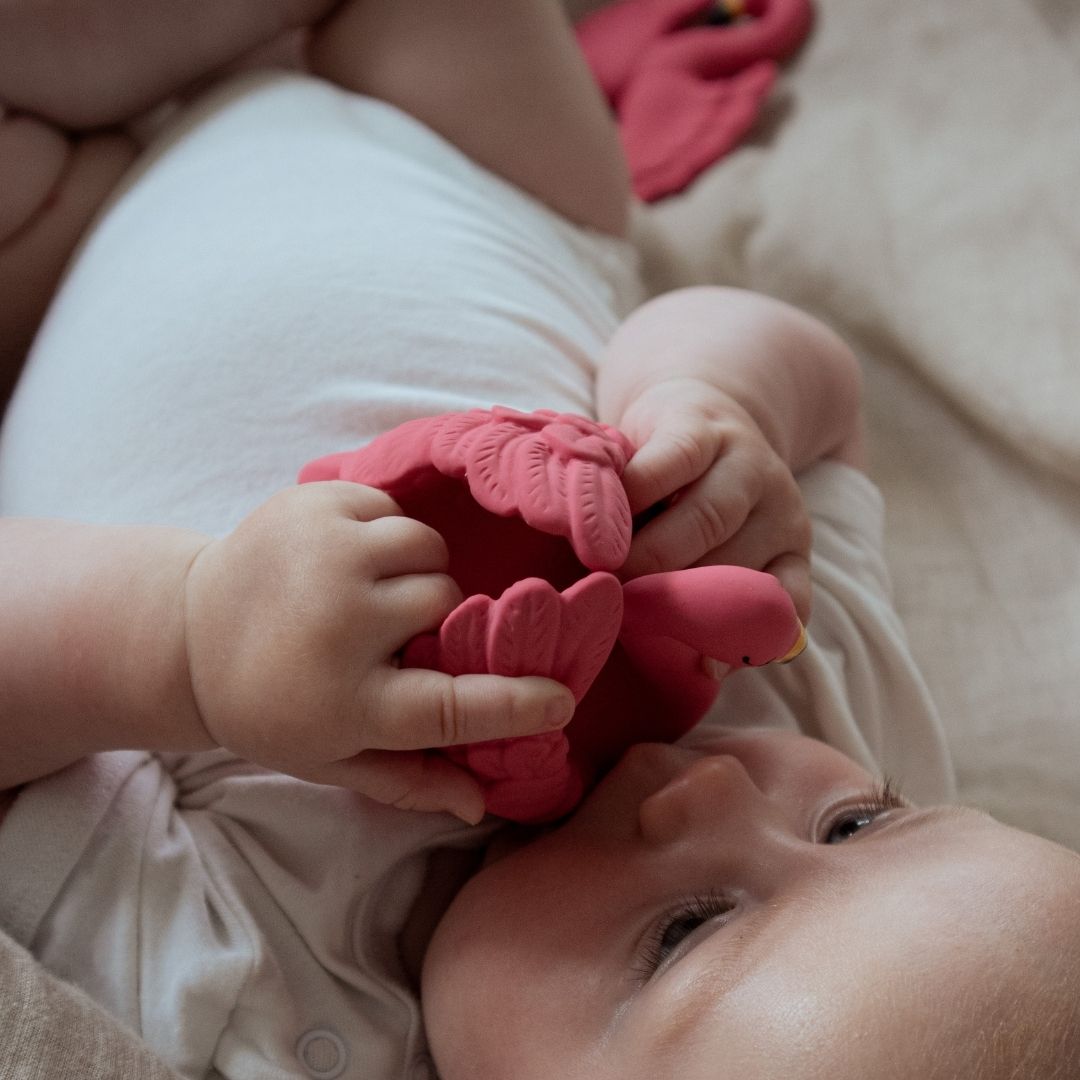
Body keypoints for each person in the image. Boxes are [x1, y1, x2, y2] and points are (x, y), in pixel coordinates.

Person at [1, 4, 1078, 1080]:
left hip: (54, 283)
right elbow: (825, 404)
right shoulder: (812, 690)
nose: (715, 789)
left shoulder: (251, 999)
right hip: (458, 155)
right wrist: (716, 403)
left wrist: (185, 648)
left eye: (687, 930)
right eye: (855, 826)